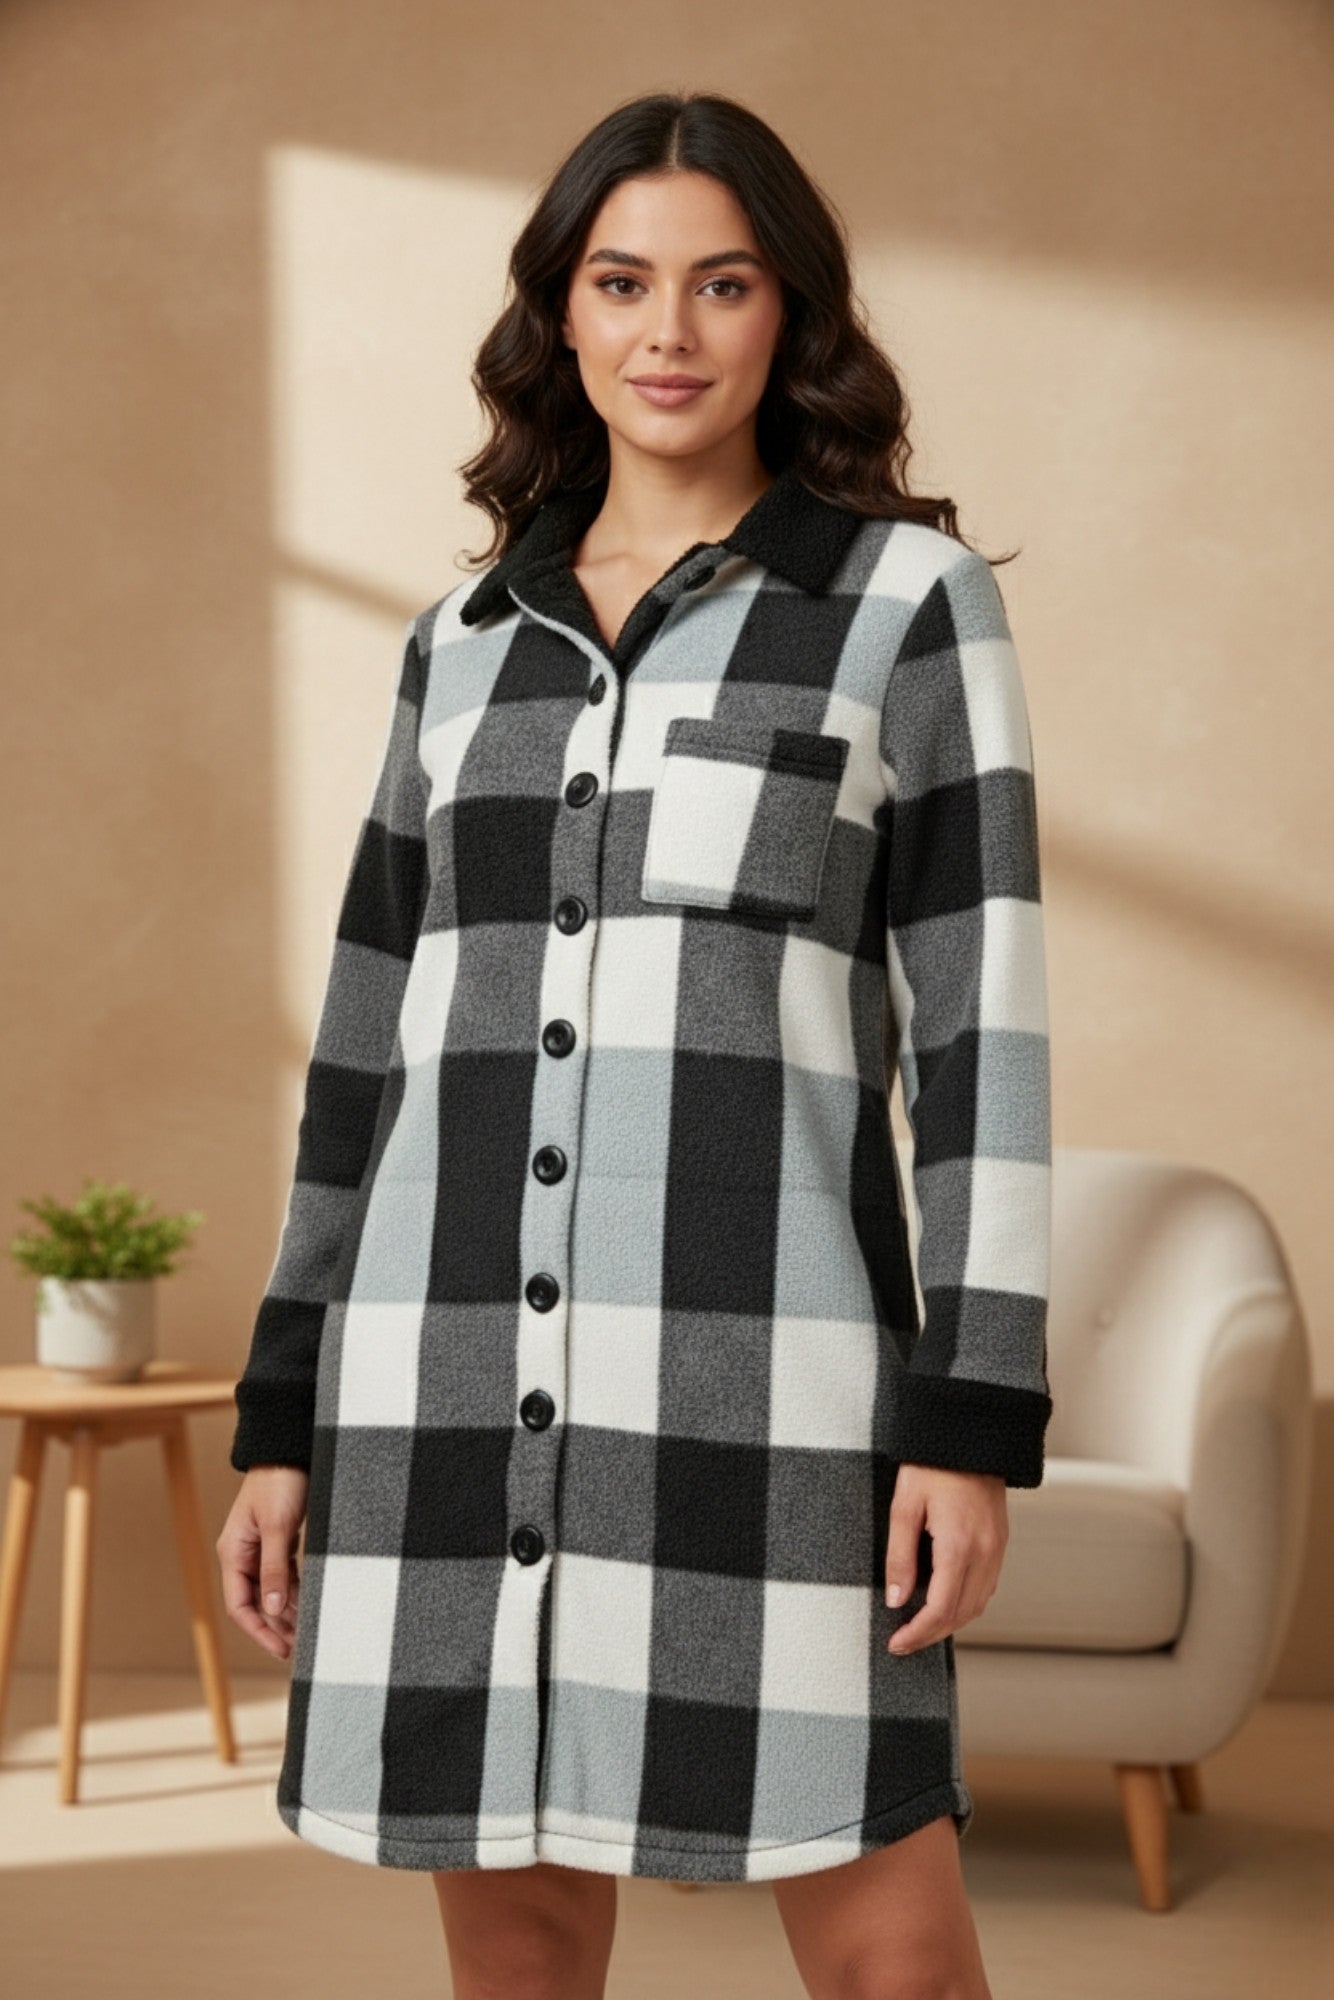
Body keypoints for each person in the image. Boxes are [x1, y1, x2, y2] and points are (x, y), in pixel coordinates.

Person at [217, 88, 1051, 2000]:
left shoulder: (901, 609)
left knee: (896, 1960)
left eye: (722, 283)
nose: (668, 330)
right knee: (514, 1954)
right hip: (438, 1375)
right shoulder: (460, 642)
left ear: (789, 314)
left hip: (764, 1385)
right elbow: (365, 1052)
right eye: (621, 281)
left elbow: (982, 1027)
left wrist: (972, 1418)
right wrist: (282, 1410)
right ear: (562, 313)